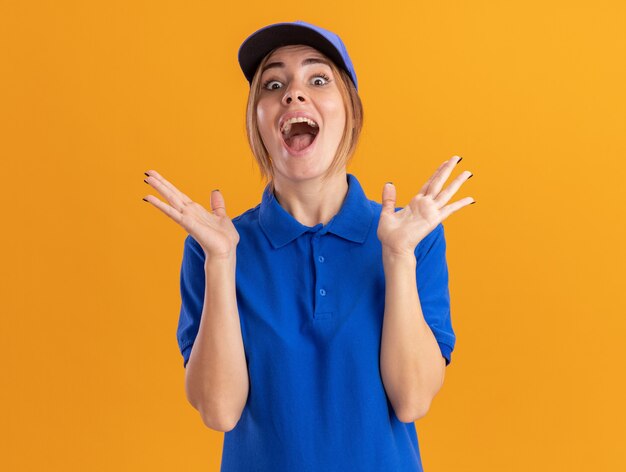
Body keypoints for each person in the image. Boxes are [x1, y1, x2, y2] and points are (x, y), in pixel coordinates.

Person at [143, 20, 475, 472]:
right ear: (257, 122)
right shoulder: (213, 248)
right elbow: (219, 411)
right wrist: (222, 262)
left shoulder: (413, 238)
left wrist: (398, 258)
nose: (293, 94)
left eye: (317, 79)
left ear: (351, 112)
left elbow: (413, 400)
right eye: (273, 83)